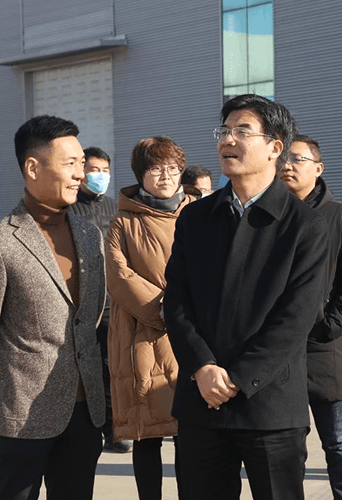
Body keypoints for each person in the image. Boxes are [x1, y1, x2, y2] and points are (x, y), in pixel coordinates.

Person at [164, 94, 329, 499]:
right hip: (202, 402)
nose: (227, 140)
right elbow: (177, 301)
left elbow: (297, 317)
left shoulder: (305, 225)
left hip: (270, 406)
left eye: (242, 131)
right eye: (223, 131)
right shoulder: (196, 217)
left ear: (275, 147)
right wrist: (202, 366)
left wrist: (239, 377)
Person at [0, 115, 107, 500]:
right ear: (33, 168)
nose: (80, 174)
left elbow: (91, 320)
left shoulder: (89, 236)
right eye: (69, 163)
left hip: (84, 412)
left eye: (81, 163)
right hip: (20, 415)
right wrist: (7, 391)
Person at [278, 134, 342, 499]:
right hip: (278, 350)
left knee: (339, 441)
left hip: (324, 347)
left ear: (318, 168)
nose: (287, 165)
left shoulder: (341, 216)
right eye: (283, 159)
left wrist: (330, 325)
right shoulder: (269, 214)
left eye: (297, 159)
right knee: (285, 444)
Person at [107, 136, 199, 499]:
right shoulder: (123, 221)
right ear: (140, 174)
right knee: (148, 433)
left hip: (194, 331)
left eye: (173, 168)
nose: (166, 176)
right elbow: (118, 275)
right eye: (157, 168)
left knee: (190, 433)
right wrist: (166, 308)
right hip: (142, 332)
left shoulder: (200, 213)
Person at [68, 147, 130, 453]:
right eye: (94, 170)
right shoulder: (67, 208)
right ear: (81, 172)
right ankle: (80, 427)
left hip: (111, 302)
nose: (101, 176)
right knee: (79, 368)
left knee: (110, 367)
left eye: (105, 170)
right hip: (79, 303)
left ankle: (113, 430)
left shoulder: (113, 206)